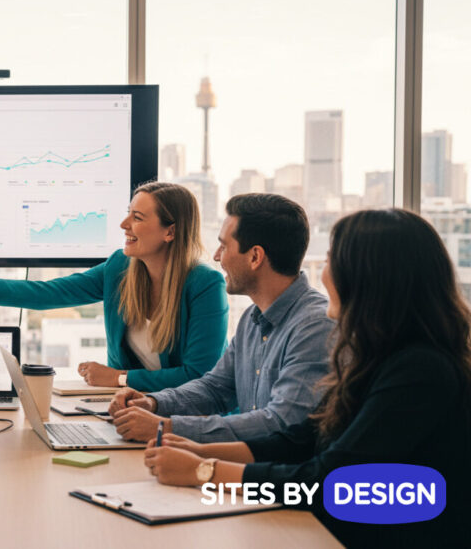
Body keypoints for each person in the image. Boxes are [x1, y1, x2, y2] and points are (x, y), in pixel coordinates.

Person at [142, 209, 471, 545]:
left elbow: (332, 482)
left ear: (368, 278)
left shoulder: (420, 371)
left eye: (330, 260)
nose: (323, 274)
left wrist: (206, 472)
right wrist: (202, 450)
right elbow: (305, 436)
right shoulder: (378, 356)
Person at [0, 181, 228, 391]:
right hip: (133, 407)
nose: (124, 224)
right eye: (128, 212)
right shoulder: (120, 268)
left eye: (137, 217)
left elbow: (199, 375)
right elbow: (48, 294)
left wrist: (118, 378)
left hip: (189, 417)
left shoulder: (205, 285)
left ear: (171, 231)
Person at [108, 193, 333, 442]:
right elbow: (215, 388)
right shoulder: (252, 319)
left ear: (255, 257)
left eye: (224, 247)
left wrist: (166, 428)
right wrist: (152, 403)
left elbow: (280, 424)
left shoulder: (314, 326)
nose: (216, 256)